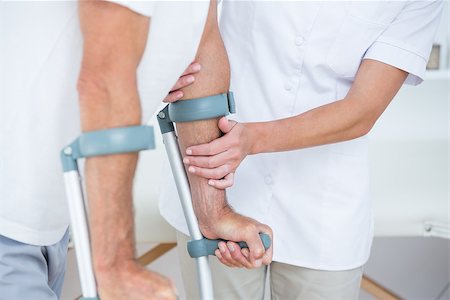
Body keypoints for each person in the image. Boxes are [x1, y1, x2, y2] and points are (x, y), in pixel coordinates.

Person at [161, 1, 444, 299]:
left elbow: (363, 109)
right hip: (215, 181)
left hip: (323, 210)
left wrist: (252, 139)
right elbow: (191, 21)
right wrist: (162, 69)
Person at [0, 1, 271, 299]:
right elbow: (105, 82)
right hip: (10, 211)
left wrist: (211, 210)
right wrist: (116, 266)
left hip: (51, 218)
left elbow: (201, 52)